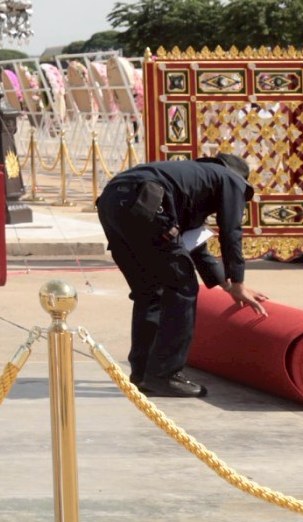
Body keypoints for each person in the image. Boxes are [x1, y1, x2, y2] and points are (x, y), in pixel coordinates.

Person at [94, 151, 268, 398]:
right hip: (147, 200)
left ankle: (143, 373)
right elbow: (231, 231)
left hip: (111, 203)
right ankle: (165, 374)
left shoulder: (191, 182)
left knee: (149, 292)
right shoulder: (229, 179)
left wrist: (227, 284)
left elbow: (193, 245)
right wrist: (239, 282)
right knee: (182, 288)